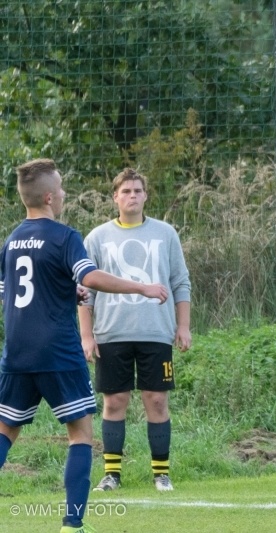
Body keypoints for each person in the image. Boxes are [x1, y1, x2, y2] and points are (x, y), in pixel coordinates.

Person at [0, 159, 168, 533]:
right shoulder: (64, 236)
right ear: (48, 196)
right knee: (80, 434)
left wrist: (62, 290)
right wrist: (141, 286)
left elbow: (11, 294)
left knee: (5, 431)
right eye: (60, 189)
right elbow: (90, 276)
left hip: (16, 353)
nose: (63, 194)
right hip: (58, 352)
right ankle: (72, 524)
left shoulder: (11, 241)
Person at [78, 168, 192, 493]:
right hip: (112, 334)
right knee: (115, 401)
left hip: (156, 332)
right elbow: (85, 290)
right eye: (125, 191)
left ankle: (161, 474)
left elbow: (180, 282)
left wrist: (183, 326)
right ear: (115, 197)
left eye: (137, 190)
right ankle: (112, 474)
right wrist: (87, 335)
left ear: (146, 196)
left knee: (156, 400)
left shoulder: (165, 233)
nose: (132, 196)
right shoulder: (97, 237)